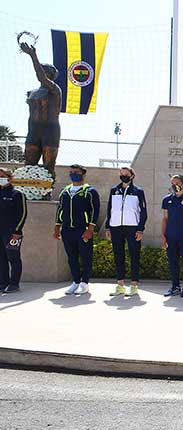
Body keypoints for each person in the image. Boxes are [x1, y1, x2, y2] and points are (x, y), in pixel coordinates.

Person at [53, 165, 100, 295]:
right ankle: (76, 281)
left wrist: (90, 229)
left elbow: (95, 211)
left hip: (82, 230)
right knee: (71, 257)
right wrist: (57, 227)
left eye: (76, 172)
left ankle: (85, 283)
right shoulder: (65, 191)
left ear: (83, 174)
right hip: (67, 230)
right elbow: (60, 210)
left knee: (85, 257)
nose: (73, 174)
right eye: (71, 172)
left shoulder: (90, 191)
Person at [19, 42, 62, 178]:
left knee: (48, 166)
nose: (41, 72)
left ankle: (46, 191)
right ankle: (27, 191)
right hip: (33, 129)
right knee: (29, 164)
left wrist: (33, 55)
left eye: (44, 71)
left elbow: (41, 78)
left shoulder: (55, 90)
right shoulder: (32, 92)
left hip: (50, 130)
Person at [104, 167, 147, 296]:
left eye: (126, 174)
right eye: (121, 174)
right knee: (118, 256)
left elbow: (143, 212)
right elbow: (109, 210)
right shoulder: (114, 190)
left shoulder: (138, 191)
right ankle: (120, 285)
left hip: (132, 227)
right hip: (116, 227)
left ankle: (134, 285)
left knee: (134, 255)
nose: (123, 176)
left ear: (132, 176)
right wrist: (107, 227)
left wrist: (140, 229)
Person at [161, 175, 183, 298]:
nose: (174, 185)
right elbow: (165, 219)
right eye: (172, 183)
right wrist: (163, 236)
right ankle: (175, 286)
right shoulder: (167, 200)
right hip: (171, 237)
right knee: (173, 263)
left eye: (177, 183)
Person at [0, 168, 27, 293]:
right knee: (1, 259)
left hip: (11, 233)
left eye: (2, 176)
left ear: (10, 178)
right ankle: (3, 283)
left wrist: (17, 231)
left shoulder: (17, 194)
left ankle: (14, 284)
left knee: (14, 258)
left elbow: (23, 214)